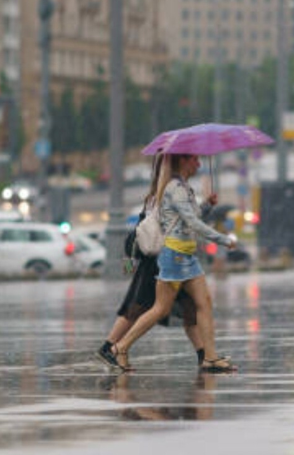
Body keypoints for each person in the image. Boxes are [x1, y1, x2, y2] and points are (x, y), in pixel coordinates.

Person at [99, 154, 236, 373]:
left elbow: (191, 216)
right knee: (158, 308)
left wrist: (207, 206)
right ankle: (118, 347)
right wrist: (223, 239)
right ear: (183, 161)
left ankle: (209, 357)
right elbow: (191, 221)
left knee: (204, 303)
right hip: (174, 257)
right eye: (194, 160)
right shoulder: (175, 188)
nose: (199, 164)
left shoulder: (183, 187)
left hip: (187, 257)